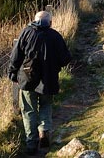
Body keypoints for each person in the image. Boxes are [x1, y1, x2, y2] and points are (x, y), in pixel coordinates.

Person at [8, 10, 72, 155]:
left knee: (29, 110)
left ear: (34, 20)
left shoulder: (27, 32)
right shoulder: (55, 36)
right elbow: (65, 58)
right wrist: (54, 65)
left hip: (27, 78)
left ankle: (31, 143)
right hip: (49, 79)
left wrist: (12, 72)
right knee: (46, 106)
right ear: (50, 23)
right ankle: (44, 132)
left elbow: (16, 55)